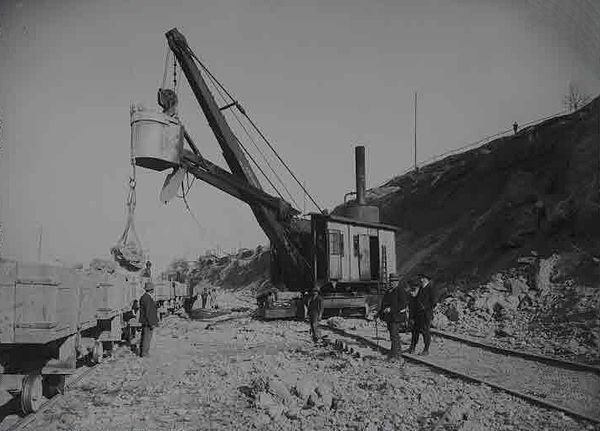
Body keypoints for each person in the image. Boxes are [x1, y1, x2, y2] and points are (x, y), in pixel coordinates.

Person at [378, 273, 409, 360]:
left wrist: (391, 309)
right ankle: (396, 353)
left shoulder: (401, 291)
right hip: (390, 317)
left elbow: (403, 304)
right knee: (393, 335)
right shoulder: (389, 291)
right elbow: (384, 303)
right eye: (391, 281)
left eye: (394, 281)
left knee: (394, 335)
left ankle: (395, 355)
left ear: (397, 282)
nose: (392, 283)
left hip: (397, 317)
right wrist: (379, 313)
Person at [407, 274, 434, 355]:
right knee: (415, 331)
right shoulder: (421, 288)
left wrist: (425, 308)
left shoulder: (431, 289)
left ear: (426, 279)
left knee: (425, 332)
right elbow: (416, 300)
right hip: (418, 314)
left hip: (425, 314)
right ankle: (412, 348)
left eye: (422, 278)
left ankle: (426, 350)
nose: (421, 280)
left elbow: (433, 302)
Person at [139, 281, 159, 357]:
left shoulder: (145, 297)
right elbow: (148, 312)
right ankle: (144, 353)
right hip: (147, 322)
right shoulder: (147, 298)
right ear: (151, 290)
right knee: (147, 338)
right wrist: (151, 323)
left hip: (146, 321)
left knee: (145, 337)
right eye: (152, 289)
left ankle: (143, 352)